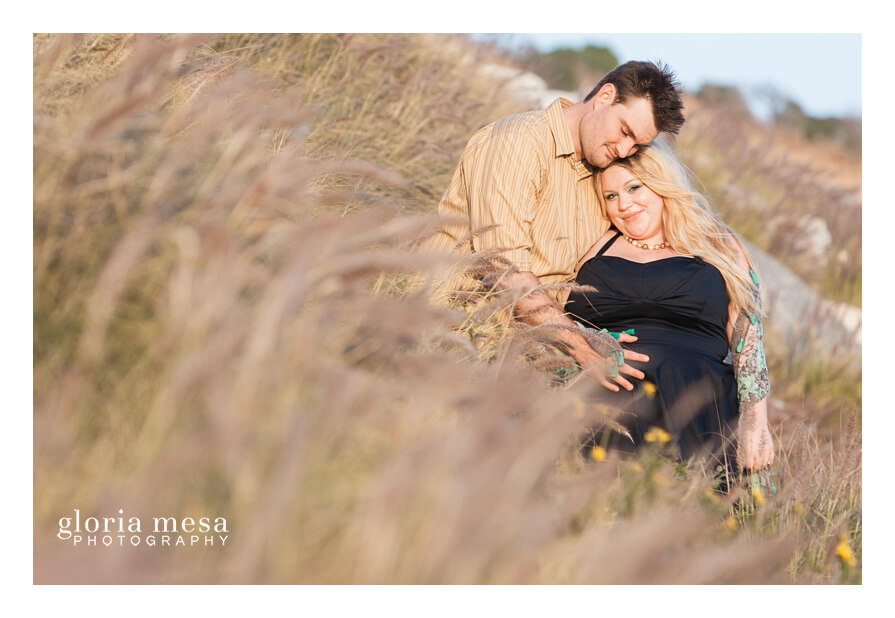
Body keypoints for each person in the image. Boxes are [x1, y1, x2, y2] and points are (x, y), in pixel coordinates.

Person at [423, 61, 685, 391]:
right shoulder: (518, 142)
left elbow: (564, 282)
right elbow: (505, 270)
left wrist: (595, 335)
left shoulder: (606, 177)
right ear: (604, 96)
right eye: (624, 132)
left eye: (636, 146)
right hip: (451, 331)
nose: (623, 150)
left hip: (529, 351)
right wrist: (580, 347)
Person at [563, 139, 773, 471]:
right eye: (611, 196)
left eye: (634, 188)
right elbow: (555, 313)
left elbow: (747, 335)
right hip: (604, 392)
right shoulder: (595, 245)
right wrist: (585, 340)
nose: (624, 205)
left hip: (696, 400)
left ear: (661, 184)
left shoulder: (716, 241)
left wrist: (755, 420)